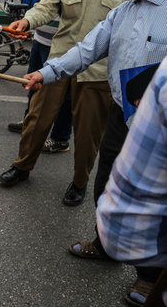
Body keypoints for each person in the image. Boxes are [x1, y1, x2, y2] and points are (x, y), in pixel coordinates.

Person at [21, 0, 167, 307]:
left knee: (153, 203)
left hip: (160, 129)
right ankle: (106, 243)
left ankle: (150, 277)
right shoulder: (122, 11)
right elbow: (86, 50)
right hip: (122, 116)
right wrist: (45, 73)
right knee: (108, 184)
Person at [0, 0, 123, 207]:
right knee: (36, 120)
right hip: (57, 63)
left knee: (88, 133)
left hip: (97, 72)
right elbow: (46, 7)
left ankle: (79, 182)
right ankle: (22, 166)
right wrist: (26, 22)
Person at [97, 59, 167, 307]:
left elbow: (124, 223)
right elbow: (94, 43)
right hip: (121, 108)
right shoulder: (118, 17)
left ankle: (148, 276)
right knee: (105, 168)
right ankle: (101, 247)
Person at [7, 0, 79, 155]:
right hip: (42, 36)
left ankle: (60, 138)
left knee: (62, 94)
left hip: (61, 40)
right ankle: (30, 121)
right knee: (33, 85)